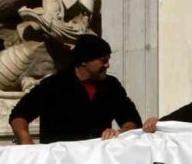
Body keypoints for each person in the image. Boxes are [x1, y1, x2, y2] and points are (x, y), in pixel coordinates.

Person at [9, 35, 141, 144]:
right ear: (84, 61)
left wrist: (118, 133)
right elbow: (19, 115)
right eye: (103, 60)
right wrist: (26, 139)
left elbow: (132, 121)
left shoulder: (111, 85)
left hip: (97, 162)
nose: (107, 65)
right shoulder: (53, 85)